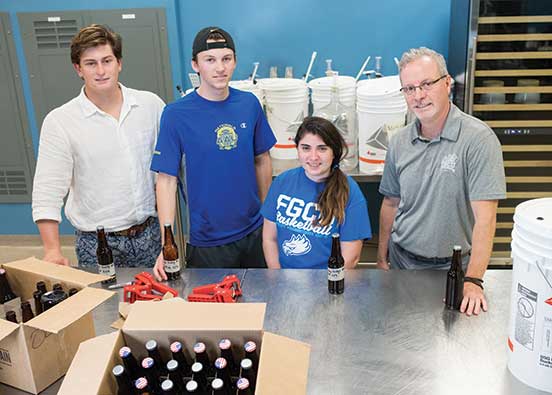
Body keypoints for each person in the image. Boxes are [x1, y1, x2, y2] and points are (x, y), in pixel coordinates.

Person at [376, 47, 506, 315]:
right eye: (409, 89)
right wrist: (381, 256)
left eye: (426, 84)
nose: (418, 96)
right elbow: (390, 202)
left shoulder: (478, 140)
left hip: (454, 271)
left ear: (447, 83)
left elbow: (486, 219)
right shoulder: (399, 142)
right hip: (403, 263)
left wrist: (473, 280)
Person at [32, 24, 165, 268]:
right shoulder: (61, 121)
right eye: (91, 63)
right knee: (106, 307)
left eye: (107, 60)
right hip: (96, 242)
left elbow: (168, 174)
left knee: (159, 303)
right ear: (78, 69)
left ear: (119, 63)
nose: (101, 70)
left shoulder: (151, 106)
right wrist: (52, 250)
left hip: (150, 236)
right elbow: (47, 190)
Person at [151, 26, 276, 279]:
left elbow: (262, 160)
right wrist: (167, 241)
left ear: (234, 62)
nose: (220, 68)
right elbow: (166, 180)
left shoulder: (249, 104)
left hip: (254, 232)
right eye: (210, 60)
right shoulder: (176, 114)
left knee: (261, 306)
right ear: (195, 65)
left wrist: (268, 218)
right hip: (208, 242)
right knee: (215, 313)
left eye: (226, 59)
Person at [261, 116, 372, 269]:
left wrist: (325, 289)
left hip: (327, 284)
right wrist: (278, 279)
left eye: (322, 148)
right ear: (297, 149)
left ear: (334, 152)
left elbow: (350, 257)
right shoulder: (282, 182)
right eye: (306, 148)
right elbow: (269, 239)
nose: (313, 157)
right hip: (284, 282)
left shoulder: (350, 192)